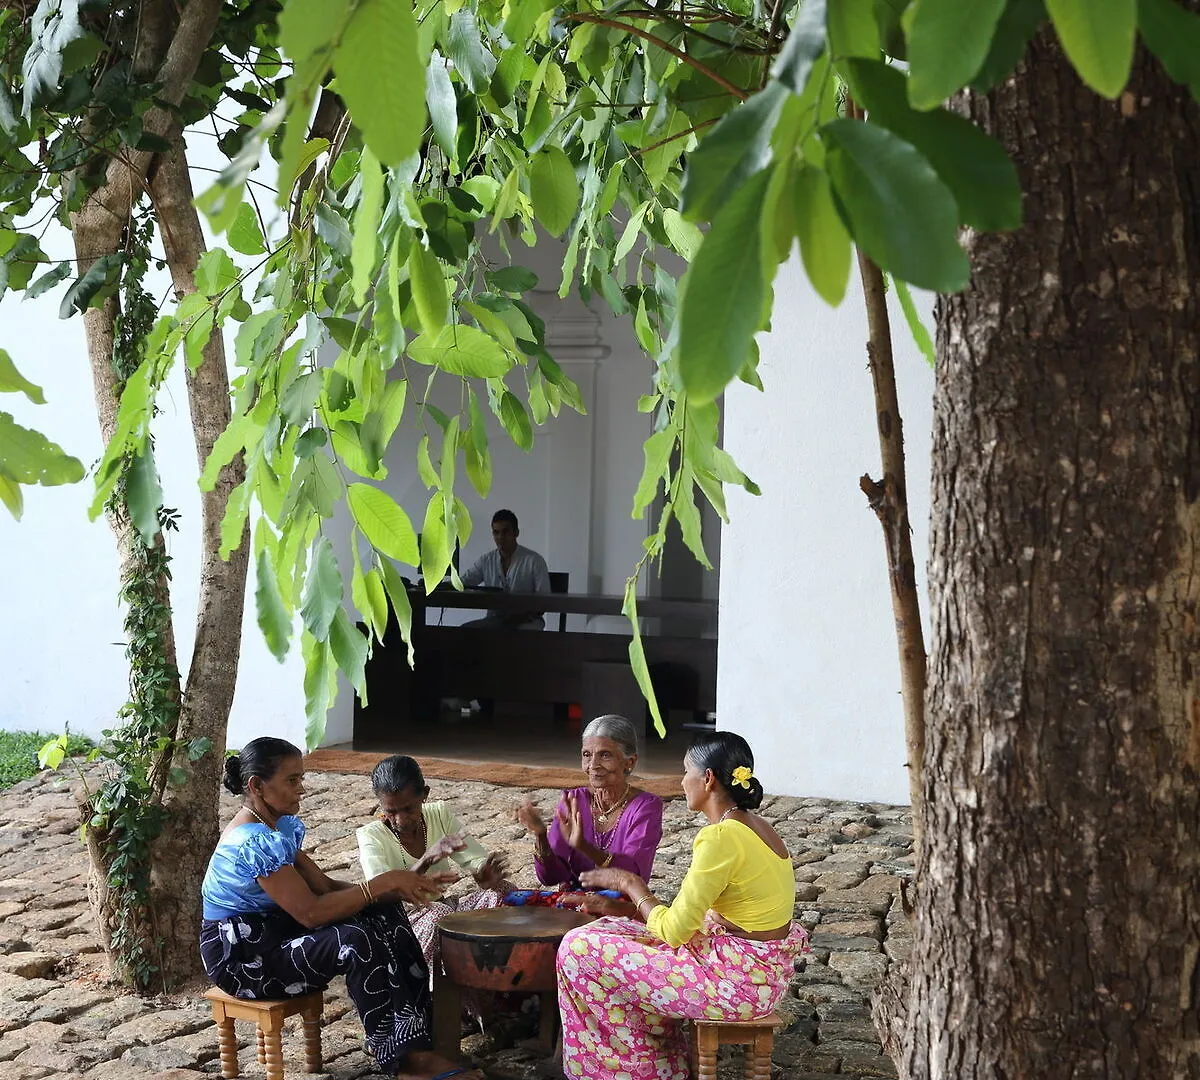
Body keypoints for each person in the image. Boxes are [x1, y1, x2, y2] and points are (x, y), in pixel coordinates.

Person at [199, 737, 482, 1080]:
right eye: (292, 780)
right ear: (257, 785)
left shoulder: (275, 827)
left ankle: (416, 1039)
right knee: (355, 940)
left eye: (300, 779)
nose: (301, 789)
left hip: (276, 933)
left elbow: (325, 887)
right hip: (245, 957)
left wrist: (395, 888)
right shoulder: (253, 841)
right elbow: (312, 913)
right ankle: (403, 1062)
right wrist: (382, 883)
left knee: (384, 914)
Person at [555, 731, 808, 1080]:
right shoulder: (758, 826)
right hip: (755, 972)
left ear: (707, 778)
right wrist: (625, 911)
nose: (682, 780)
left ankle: (632, 1070)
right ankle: (657, 1063)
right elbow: (690, 915)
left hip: (737, 983)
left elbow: (674, 931)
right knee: (604, 929)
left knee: (576, 948)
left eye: (686, 770)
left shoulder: (721, 837)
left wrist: (631, 885)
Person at [356, 754, 511, 967]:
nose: (400, 820)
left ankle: (496, 971)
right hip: (401, 924)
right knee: (438, 915)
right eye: (391, 811)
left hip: (442, 911)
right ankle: (432, 990)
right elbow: (380, 891)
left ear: (424, 795)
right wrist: (426, 860)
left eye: (409, 808)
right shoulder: (370, 836)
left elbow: (475, 859)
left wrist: (483, 874)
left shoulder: (438, 814)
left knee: (503, 892)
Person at [515, 714, 663, 902]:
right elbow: (550, 877)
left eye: (605, 755)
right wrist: (541, 836)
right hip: (573, 902)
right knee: (510, 901)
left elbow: (631, 875)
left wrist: (584, 847)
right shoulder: (573, 800)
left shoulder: (646, 807)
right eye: (587, 755)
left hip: (619, 906)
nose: (593, 765)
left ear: (630, 762)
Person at [460, 508, 551, 629]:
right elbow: (464, 582)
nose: (500, 537)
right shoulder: (486, 560)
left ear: (516, 532)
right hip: (495, 620)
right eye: (496, 532)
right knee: (464, 631)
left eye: (505, 532)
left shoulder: (534, 561)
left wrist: (520, 616)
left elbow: (544, 601)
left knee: (512, 636)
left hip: (527, 621)